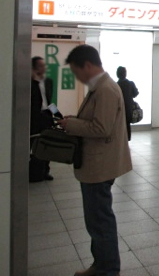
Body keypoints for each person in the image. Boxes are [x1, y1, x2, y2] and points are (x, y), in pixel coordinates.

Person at [57, 45, 132, 276]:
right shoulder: (99, 87)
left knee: (100, 221)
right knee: (96, 220)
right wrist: (75, 120)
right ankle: (100, 265)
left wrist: (71, 124)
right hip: (95, 164)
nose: (77, 77)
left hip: (99, 166)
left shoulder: (106, 89)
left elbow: (101, 128)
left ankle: (108, 269)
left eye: (76, 71)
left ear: (87, 65)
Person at [30, 56, 54, 182]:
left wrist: (57, 114)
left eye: (44, 65)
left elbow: (49, 101)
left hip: (46, 116)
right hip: (34, 117)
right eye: (41, 66)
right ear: (34, 68)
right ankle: (34, 172)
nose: (44, 68)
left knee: (47, 144)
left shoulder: (48, 81)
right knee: (34, 144)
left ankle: (45, 171)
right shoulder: (29, 83)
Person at [116, 66, 139, 141]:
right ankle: (127, 140)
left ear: (117, 74)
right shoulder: (130, 84)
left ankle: (120, 140)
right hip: (129, 108)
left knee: (119, 125)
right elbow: (135, 94)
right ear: (125, 74)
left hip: (119, 108)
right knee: (127, 124)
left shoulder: (116, 85)